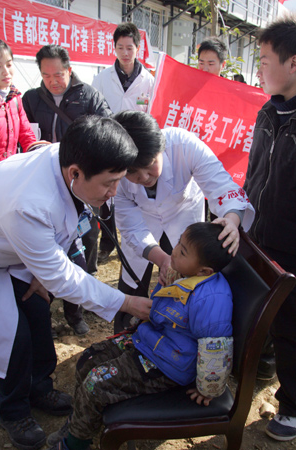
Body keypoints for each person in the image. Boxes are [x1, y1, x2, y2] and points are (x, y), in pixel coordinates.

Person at [0, 115, 152, 450]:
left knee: (37, 315)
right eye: (109, 184)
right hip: (1, 253)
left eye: (119, 182)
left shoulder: (69, 159)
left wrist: (42, 271)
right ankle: (12, 410)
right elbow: (61, 274)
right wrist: (125, 301)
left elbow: (59, 236)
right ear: (75, 173)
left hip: (19, 249)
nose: (112, 194)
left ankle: (39, 387)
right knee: (12, 337)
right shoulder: (29, 203)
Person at [46, 221, 233, 450]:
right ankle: (79, 423)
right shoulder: (183, 273)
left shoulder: (211, 299)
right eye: (178, 243)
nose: (174, 251)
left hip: (168, 365)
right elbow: (161, 309)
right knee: (87, 360)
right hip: (150, 342)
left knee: (95, 384)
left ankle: (75, 443)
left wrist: (208, 388)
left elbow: (215, 347)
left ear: (204, 271)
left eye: (182, 251)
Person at [111, 111, 254, 318]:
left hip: (182, 218)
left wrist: (232, 220)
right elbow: (130, 226)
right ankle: (126, 334)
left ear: (162, 147)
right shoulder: (115, 167)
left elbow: (221, 185)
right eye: (131, 172)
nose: (143, 177)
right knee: (133, 285)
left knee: (185, 285)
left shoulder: (184, 145)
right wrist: (162, 260)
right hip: (143, 221)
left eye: (149, 164)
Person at [22, 44, 113, 335]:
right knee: (44, 244)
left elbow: (105, 132)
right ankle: (42, 307)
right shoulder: (31, 99)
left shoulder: (89, 96)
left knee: (83, 244)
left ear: (69, 70)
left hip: (84, 184)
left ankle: (75, 312)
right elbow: (25, 137)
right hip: (45, 186)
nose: (53, 80)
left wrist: (60, 149)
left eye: (58, 74)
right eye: (46, 75)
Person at [243, 15, 296, 442]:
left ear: (293, 63)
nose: (258, 67)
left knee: (292, 329)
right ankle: (258, 372)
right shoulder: (267, 111)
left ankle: (293, 408)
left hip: (292, 249)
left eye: (264, 59)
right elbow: (255, 173)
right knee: (261, 318)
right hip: (258, 239)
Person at [92, 22, 155, 264]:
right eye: (120, 47)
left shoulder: (148, 81)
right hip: (110, 144)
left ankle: (138, 239)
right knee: (108, 195)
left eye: (130, 47)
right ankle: (108, 243)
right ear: (114, 48)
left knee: (135, 192)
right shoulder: (101, 79)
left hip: (137, 147)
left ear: (138, 48)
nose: (125, 53)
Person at [0, 39, 38, 162]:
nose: (6, 72)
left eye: (9, 65)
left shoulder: (14, 98)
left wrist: (37, 153)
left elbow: (26, 134)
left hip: (9, 172)